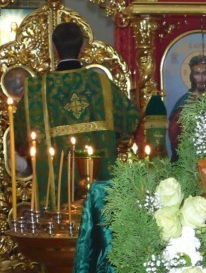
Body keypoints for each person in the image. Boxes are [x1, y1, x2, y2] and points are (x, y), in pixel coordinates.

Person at [13, 22, 138, 208]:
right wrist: (114, 139)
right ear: (82, 47)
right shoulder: (101, 83)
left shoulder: (37, 89)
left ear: (54, 48)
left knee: (57, 220)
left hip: (56, 191)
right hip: (99, 179)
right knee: (97, 219)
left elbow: (21, 134)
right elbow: (130, 120)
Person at [167, 54, 206, 160]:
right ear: (192, 77)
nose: (201, 78)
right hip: (188, 156)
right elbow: (174, 134)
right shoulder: (183, 103)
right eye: (197, 74)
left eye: (204, 73)